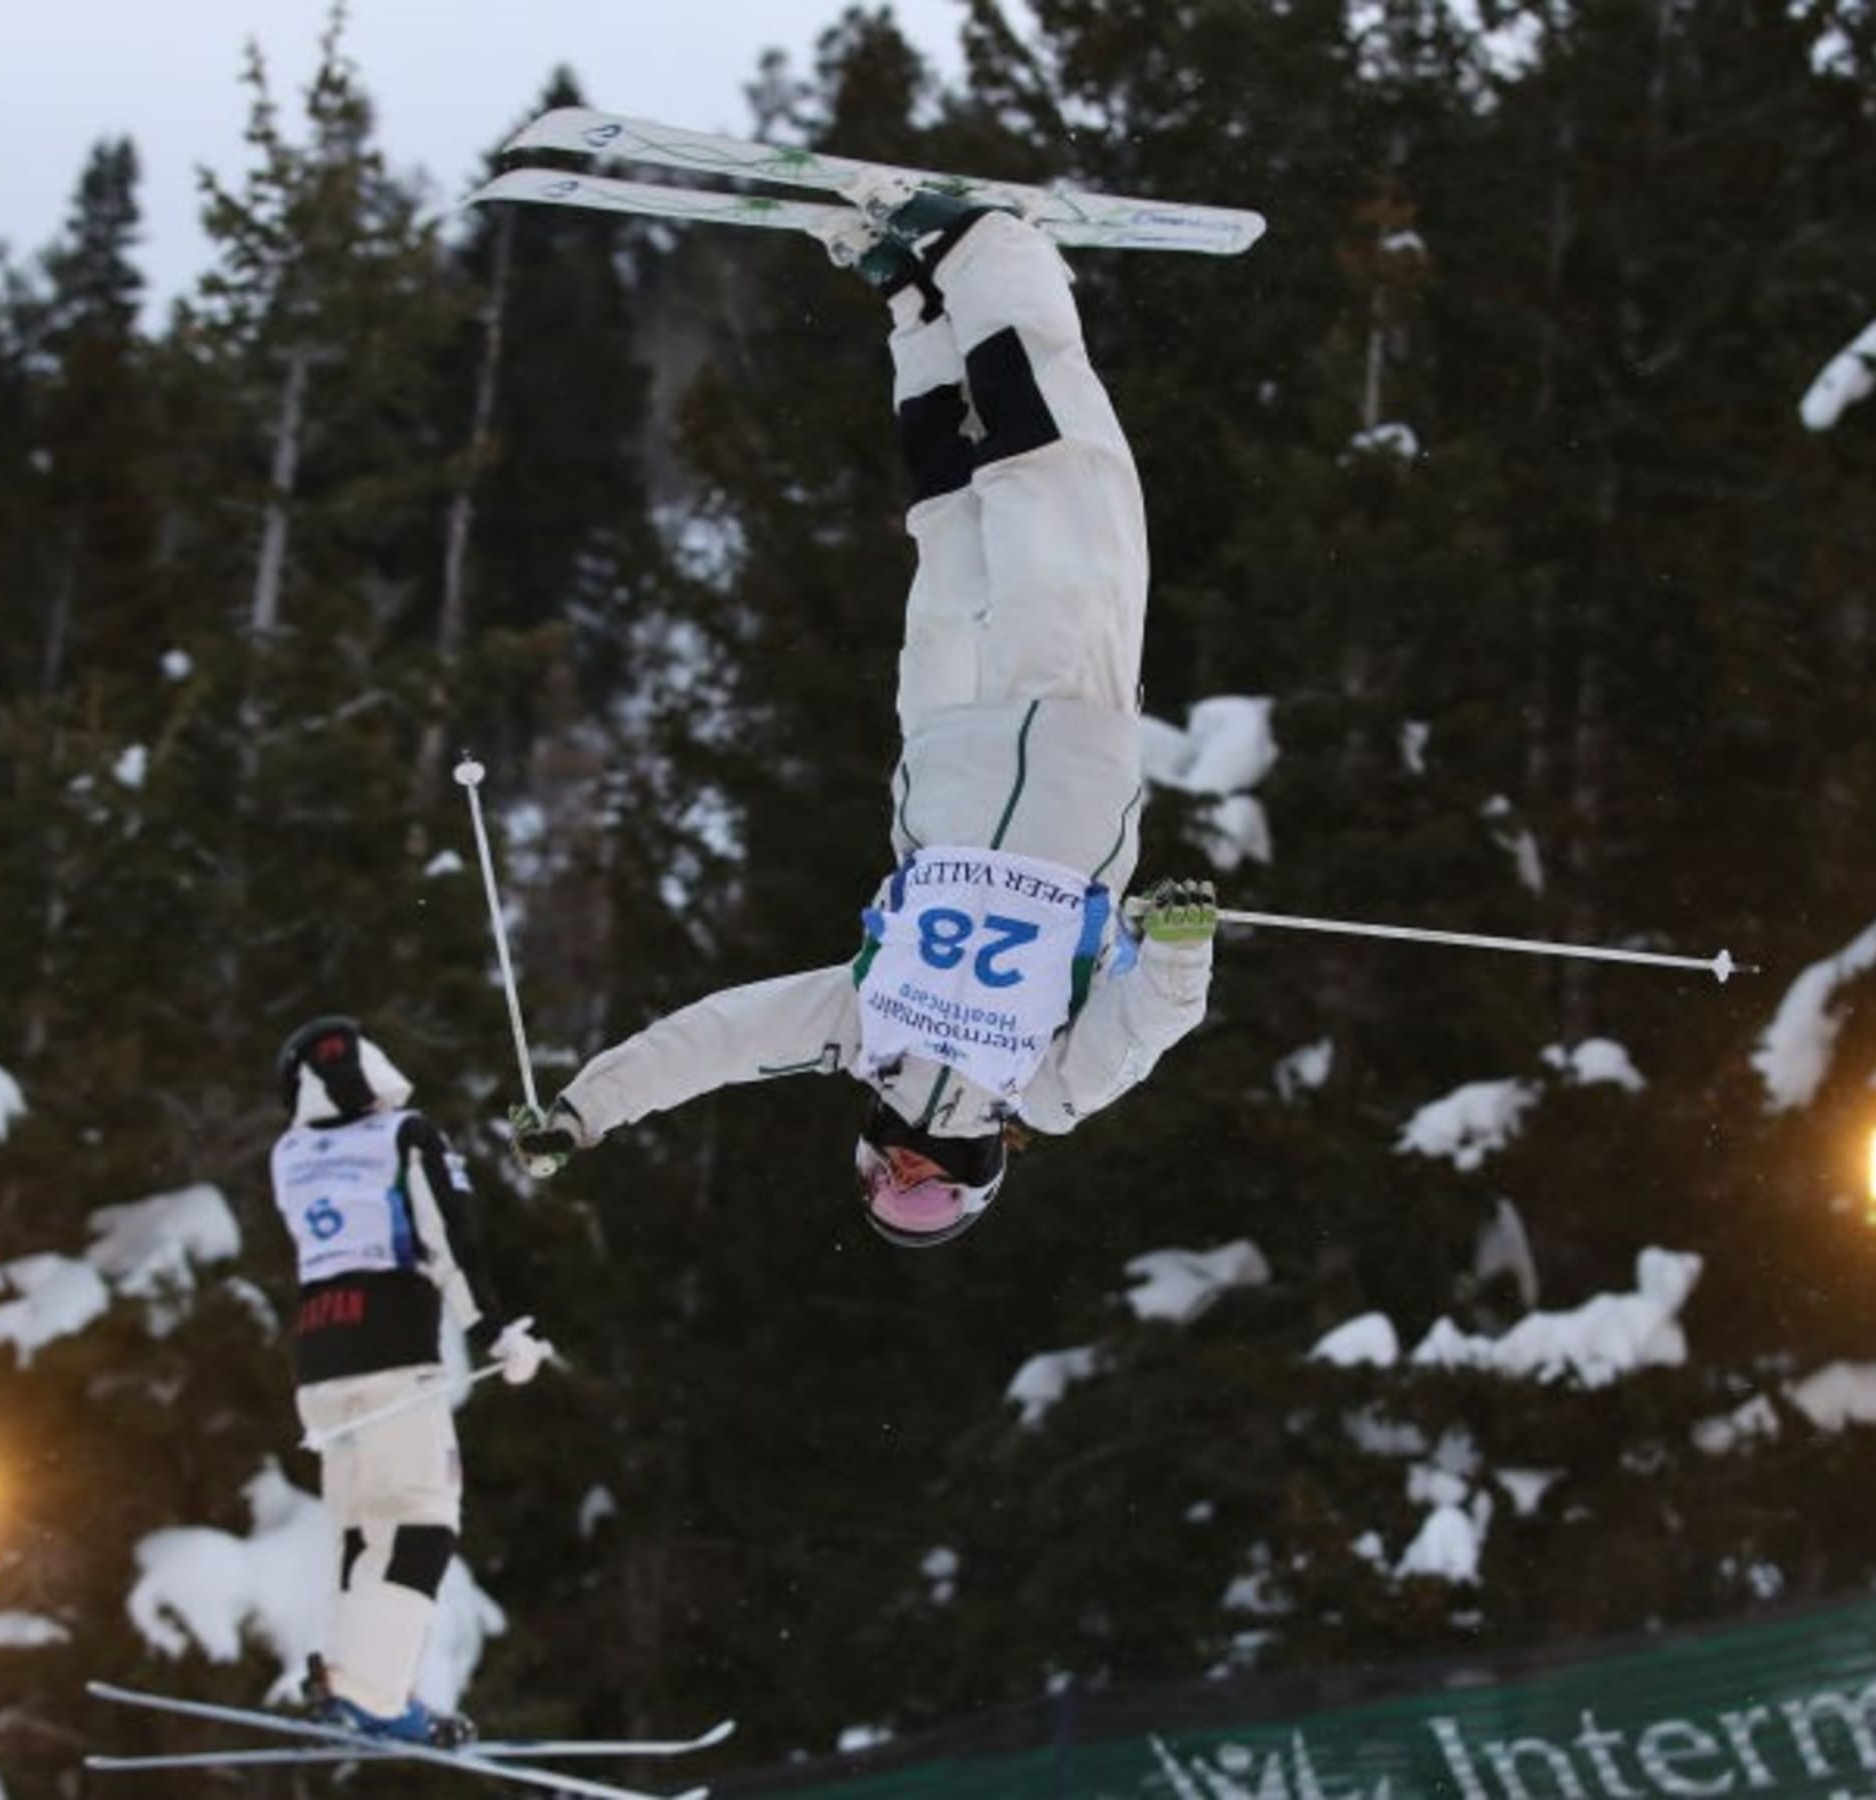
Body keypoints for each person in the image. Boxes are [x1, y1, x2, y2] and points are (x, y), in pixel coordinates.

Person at [510, 191, 1221, 1248]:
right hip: (1023, 743)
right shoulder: (1044, 1092)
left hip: (974, 744)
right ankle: (923, 290)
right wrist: (1173, 944)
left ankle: (968, 256)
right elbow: (1151, 1018)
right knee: (1003, 508)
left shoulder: (859, 1032)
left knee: (1027, 503)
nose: (902, 1175)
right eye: (923, 1198)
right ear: (975, 1187)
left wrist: (584, 1111)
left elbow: (712, 1042)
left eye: (881, 1191)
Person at [270, 1015, 551, 1748]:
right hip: (394, 1349)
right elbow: (450, 1233)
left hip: (319, 1361)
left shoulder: (289, 1153)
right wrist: (492, 1330)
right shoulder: (405, 1134)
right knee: (420, 1520)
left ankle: (348, 1676)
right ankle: (372, 1690)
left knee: (363, 1528)